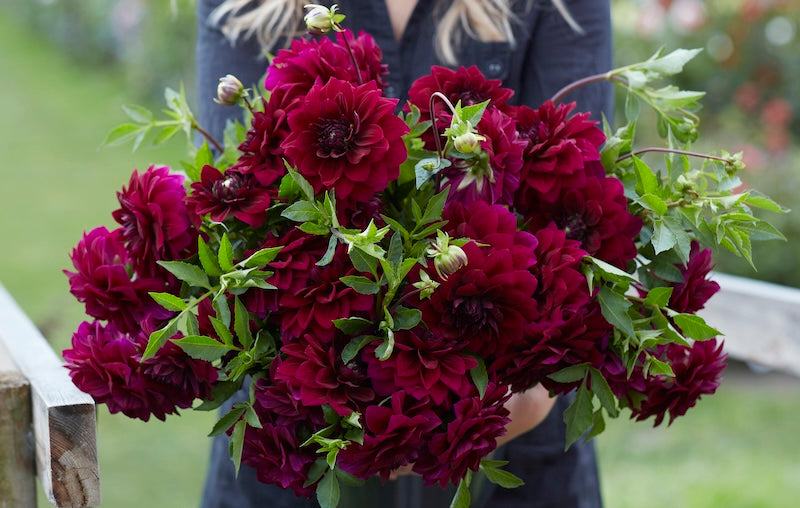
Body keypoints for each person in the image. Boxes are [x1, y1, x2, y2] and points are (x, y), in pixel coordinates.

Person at [195, 1, 612, 506]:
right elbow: (233, 208)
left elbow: (582, 194)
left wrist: (525, 401)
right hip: (299, 437)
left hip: (509, 429)